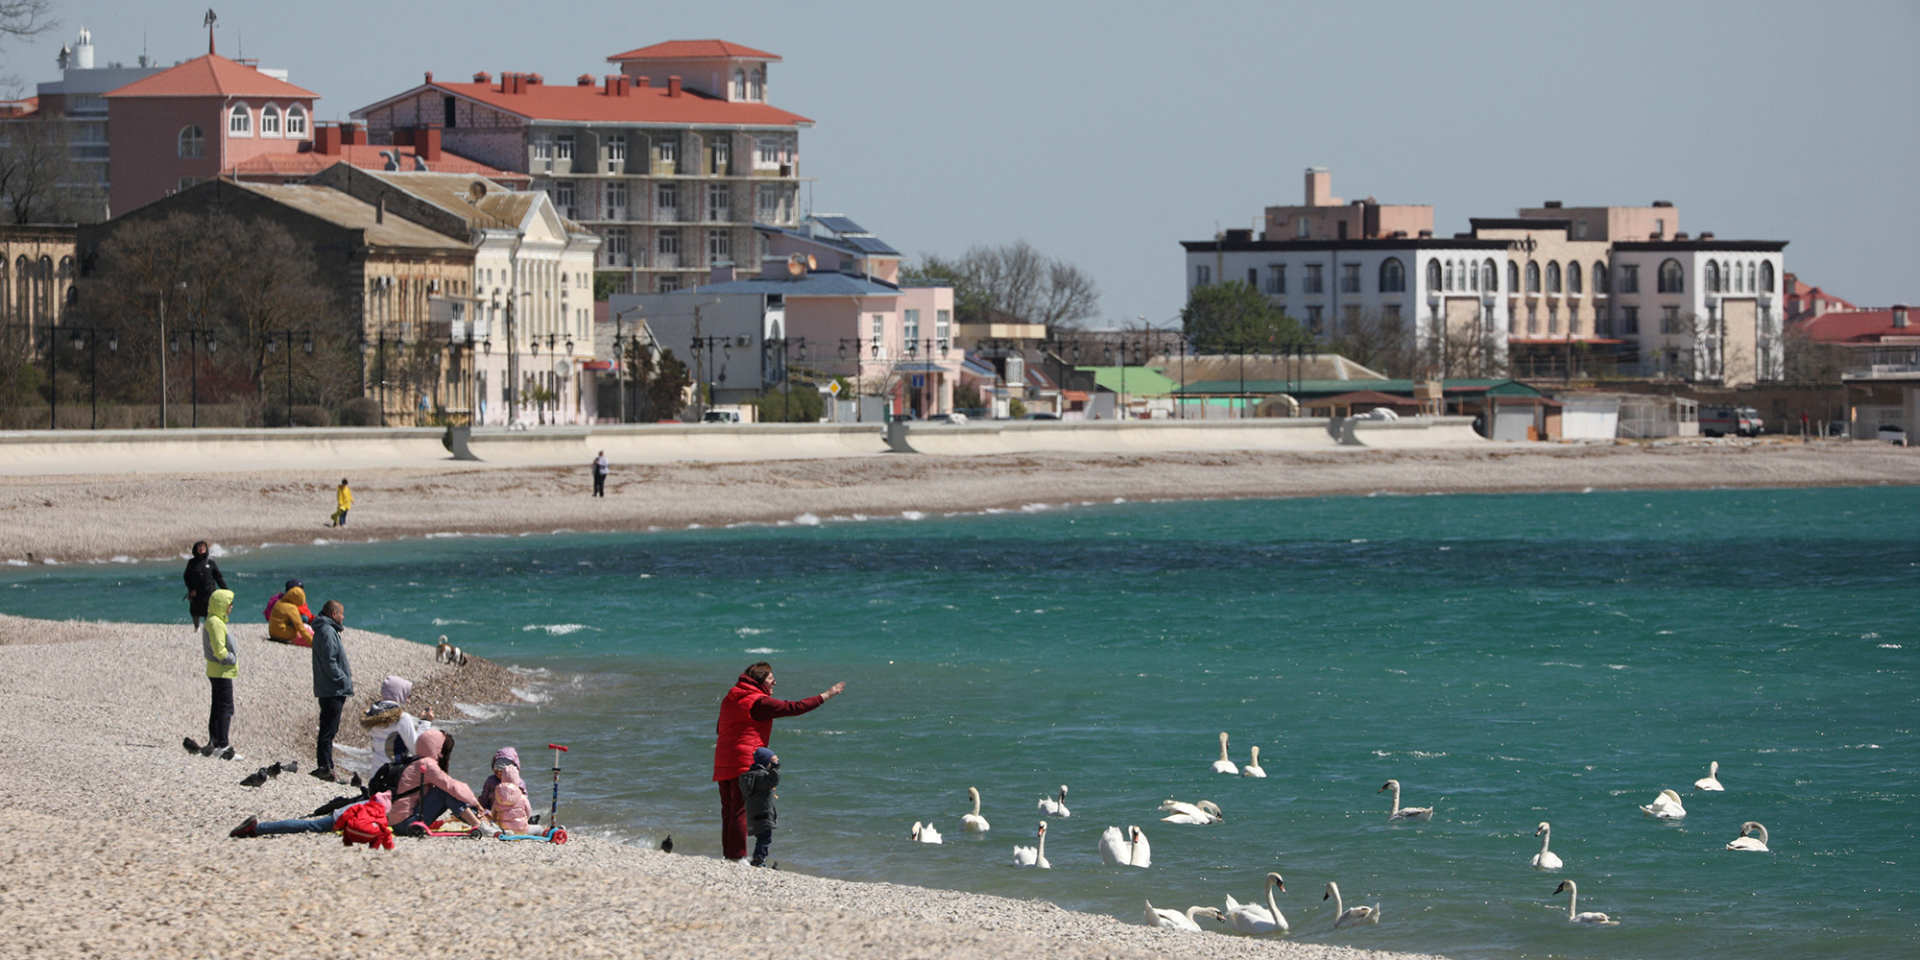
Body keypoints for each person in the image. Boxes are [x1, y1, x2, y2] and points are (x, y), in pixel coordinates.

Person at [712, 662, 844, 861]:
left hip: (724, 759)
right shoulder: (759, 702)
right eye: (771, 678)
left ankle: (730, 855)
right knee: (740, 809)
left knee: (729, 809)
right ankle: (737, 858)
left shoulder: (730, 699)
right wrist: (827, 694)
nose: (775, 681)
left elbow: (719, 729)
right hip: (745, 761)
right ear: (760, 680)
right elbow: (794, 707)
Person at [386, 728, 490, 836]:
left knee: (450, 792)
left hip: (397, 823)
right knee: (444, 791)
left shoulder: (414, 761)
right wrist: (475, 802)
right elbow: (450, 786)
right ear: (439, 749)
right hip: (407, 824)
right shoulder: (427, 764)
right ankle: (479, 824)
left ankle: (482, 823)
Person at [309, 600, 353, 782]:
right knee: (328, 729)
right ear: (334, 615)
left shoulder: (326, 630)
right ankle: (325, 767)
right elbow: (329, 662)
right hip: (332, 689)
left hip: (329, 688)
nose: (343, 617)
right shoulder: (327, 631)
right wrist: (341, 679)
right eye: (341, 614)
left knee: (329, 728)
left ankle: (326, 766)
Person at [360, 676, 433, 776]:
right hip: (393, 777)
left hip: (375, 775)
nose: (408, 700)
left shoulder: (371, 713)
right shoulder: (402, 718)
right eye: (407, 695)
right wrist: (425, 722)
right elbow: (416, 749)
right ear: (398, 694)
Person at [199, 588, 237, 756]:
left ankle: (214, 742)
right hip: (220, 670)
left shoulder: (214, 620)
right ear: (222, 605)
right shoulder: (215, 622)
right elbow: (218, 649)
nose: (232, 607)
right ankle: (223, 745)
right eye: (230, 604)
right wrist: (230, 658)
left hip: (217, 670)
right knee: (225, 708)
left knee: (218, 707)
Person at [739, 747, 780, 867]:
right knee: (765, 839)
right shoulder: (762, 777)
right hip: (763, 814)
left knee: (761, 838)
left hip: (753, 814)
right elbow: (774, 780)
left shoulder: (749, 777)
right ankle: (758, 859)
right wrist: (776, 766)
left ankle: (759, 859)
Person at [182, 541, 227, 629]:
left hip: (209, 591)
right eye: (199, 547)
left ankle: (207, 628)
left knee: (209, 610)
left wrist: (225, 589)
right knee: (195, 611)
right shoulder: (192, 563)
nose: (201, 548)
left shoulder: (210, 562)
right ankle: (196, 626)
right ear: (196, 549)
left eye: (203, 547)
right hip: (196, 592)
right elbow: (186, 576)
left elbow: (218, 577)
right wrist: (191, 588)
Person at [267, 581, 314, 647]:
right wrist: (311, 642)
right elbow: (300, 627)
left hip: (273, 633)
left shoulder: (279, 602)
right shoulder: (291, 608)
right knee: (305, 628)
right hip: (283, 634)